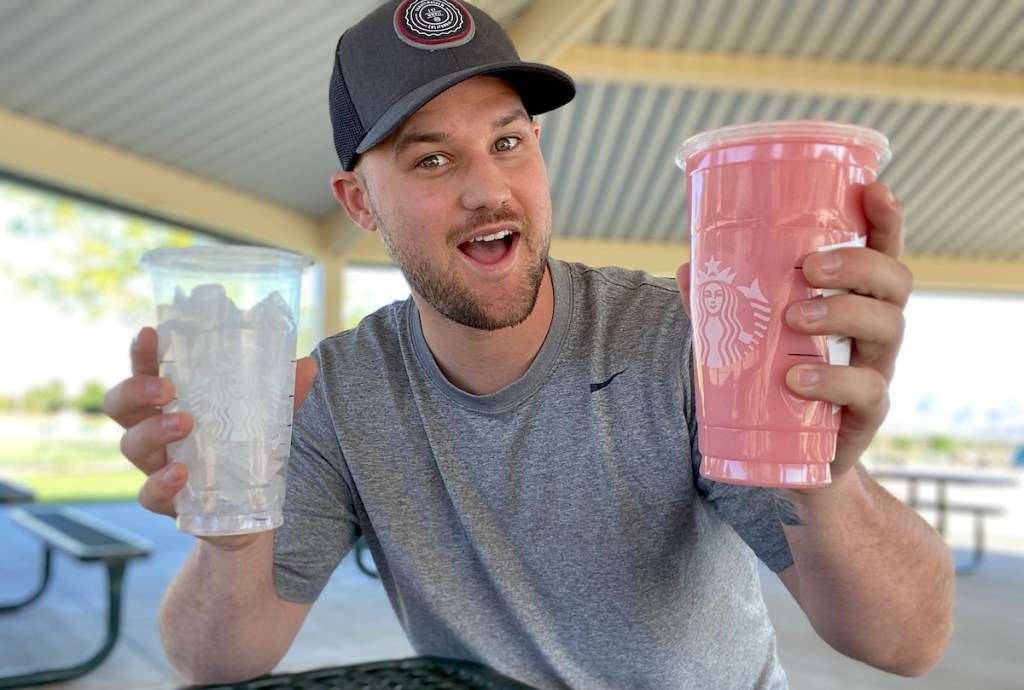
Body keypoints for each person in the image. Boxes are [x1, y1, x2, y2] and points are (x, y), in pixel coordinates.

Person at [103, 1, 954, 688]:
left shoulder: (680, 340)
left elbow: (907, 645)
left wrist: (828, 481)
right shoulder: (338, 388)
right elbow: (210, 662)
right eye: (432, 161)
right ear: (358, 203)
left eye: (508, 143)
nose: (489, 191)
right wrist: (235, 539)